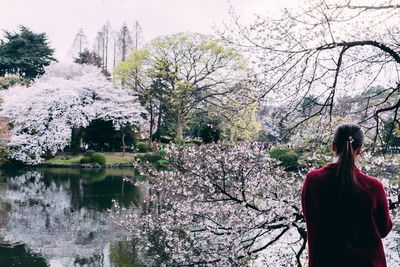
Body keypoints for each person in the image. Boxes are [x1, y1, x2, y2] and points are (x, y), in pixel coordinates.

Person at [301, 124, 392, 267]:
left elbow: (309, 216)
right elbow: (384, 229)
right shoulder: (373, 187)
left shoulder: (314, 181)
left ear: (333, 147)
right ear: (359, 150)